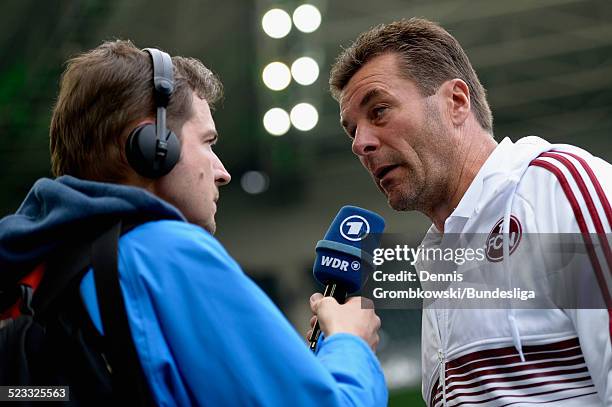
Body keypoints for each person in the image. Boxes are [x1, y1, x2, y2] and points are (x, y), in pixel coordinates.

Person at [0, 40, 388, 406]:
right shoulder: (163, 253)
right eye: (207, 142)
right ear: (151, 147)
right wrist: (350, 344)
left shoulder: (39, 277)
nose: (222, 173)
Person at [329, 18, 611, 406]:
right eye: (352, 131)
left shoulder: (557, 187)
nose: (361, 144)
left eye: (378, 111)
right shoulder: (434, 260)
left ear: (456, 103)